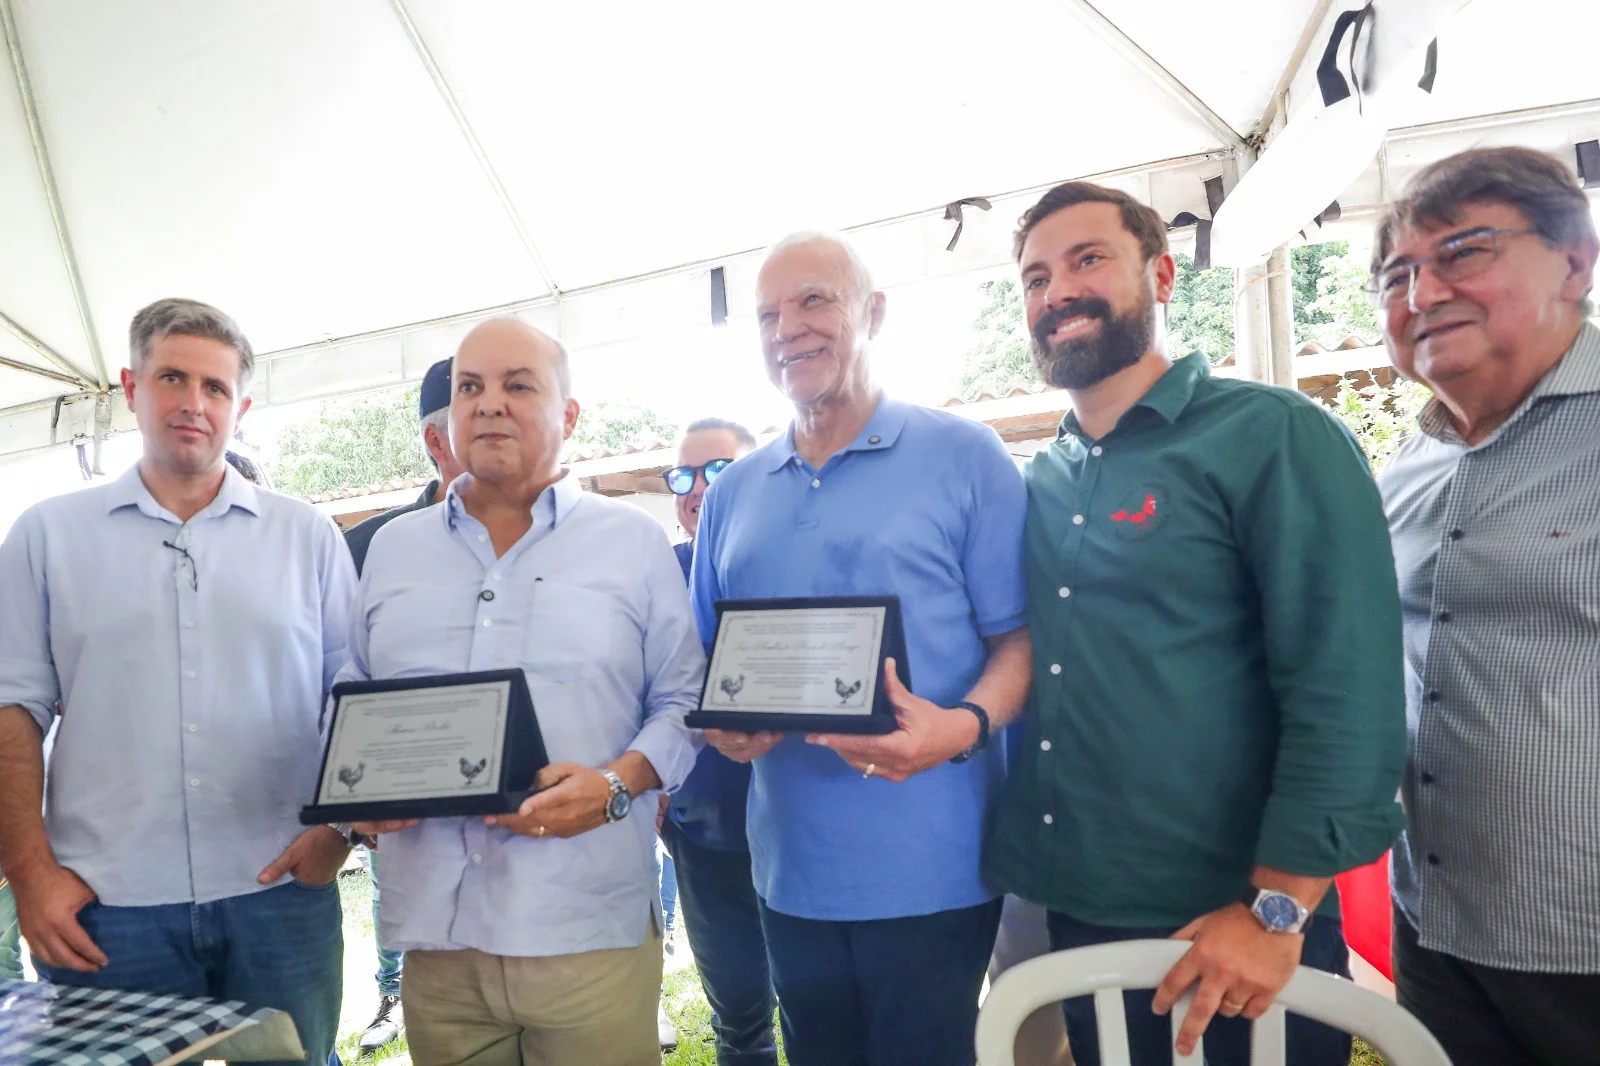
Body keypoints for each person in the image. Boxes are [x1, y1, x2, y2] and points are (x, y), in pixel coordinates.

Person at [982, 182, 1407, 1066]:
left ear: (1163, 276)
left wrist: (1277, 912)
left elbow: (1347, 692)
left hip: (1237, 926)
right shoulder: (1045, 477)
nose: (1058, 291)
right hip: (1083, 913)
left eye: (1088, 259)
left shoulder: (1272, 436)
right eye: (1035, 278)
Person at [694, 233, 1033, 1066]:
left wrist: (960, 727)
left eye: (814, 300)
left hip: (936, 867)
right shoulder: (734, 493)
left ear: (873, 313)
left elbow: (1020, 641)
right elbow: (712, 658)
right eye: (768, 315)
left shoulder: (966, 455)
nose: (788, 329)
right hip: (789, 871)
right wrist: (728, 724)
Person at [0, 298, 357, 1066]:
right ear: (131, 387)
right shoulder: (46, 536)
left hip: (279, 892)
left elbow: (350, 699)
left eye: (215, 387)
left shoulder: (307, 537)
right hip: (107, 904)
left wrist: (339, 834)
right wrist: (30, 875)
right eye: (172, 378)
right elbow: (11, 710)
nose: (194, 402)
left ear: (242, 407)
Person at [342, 317, 705, 1066]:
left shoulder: (630, 543)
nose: (489, 403)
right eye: (469, 387)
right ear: (447, 415)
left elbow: (684, 701)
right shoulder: (392, 551)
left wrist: (616, 784)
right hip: (437, 943)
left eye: (518, 385)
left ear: (568, 415)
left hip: (587, 931)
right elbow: (350, 695)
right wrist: (356, 795)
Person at [1368, 146, 1600, 1066]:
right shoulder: (1406, 468)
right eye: (1396, 275)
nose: (1422, 293)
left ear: (1575, 261)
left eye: (1463, 251)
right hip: (1438, 922)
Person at [339, 357, 465, 1054]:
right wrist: (352, 811)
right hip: (411, 824)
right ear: (435, 440)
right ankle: (393, 994)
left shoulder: (577, 540)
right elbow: (335, 683)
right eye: (475, 409)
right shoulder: (367, 548)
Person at [658, 417, 778, 1066]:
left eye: (719, 470)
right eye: (684, 475)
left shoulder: (790, 566)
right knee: (740, 1021)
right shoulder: (657, 576)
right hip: (703, 837)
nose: (699, 488)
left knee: (823, 1013)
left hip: (801, 830)